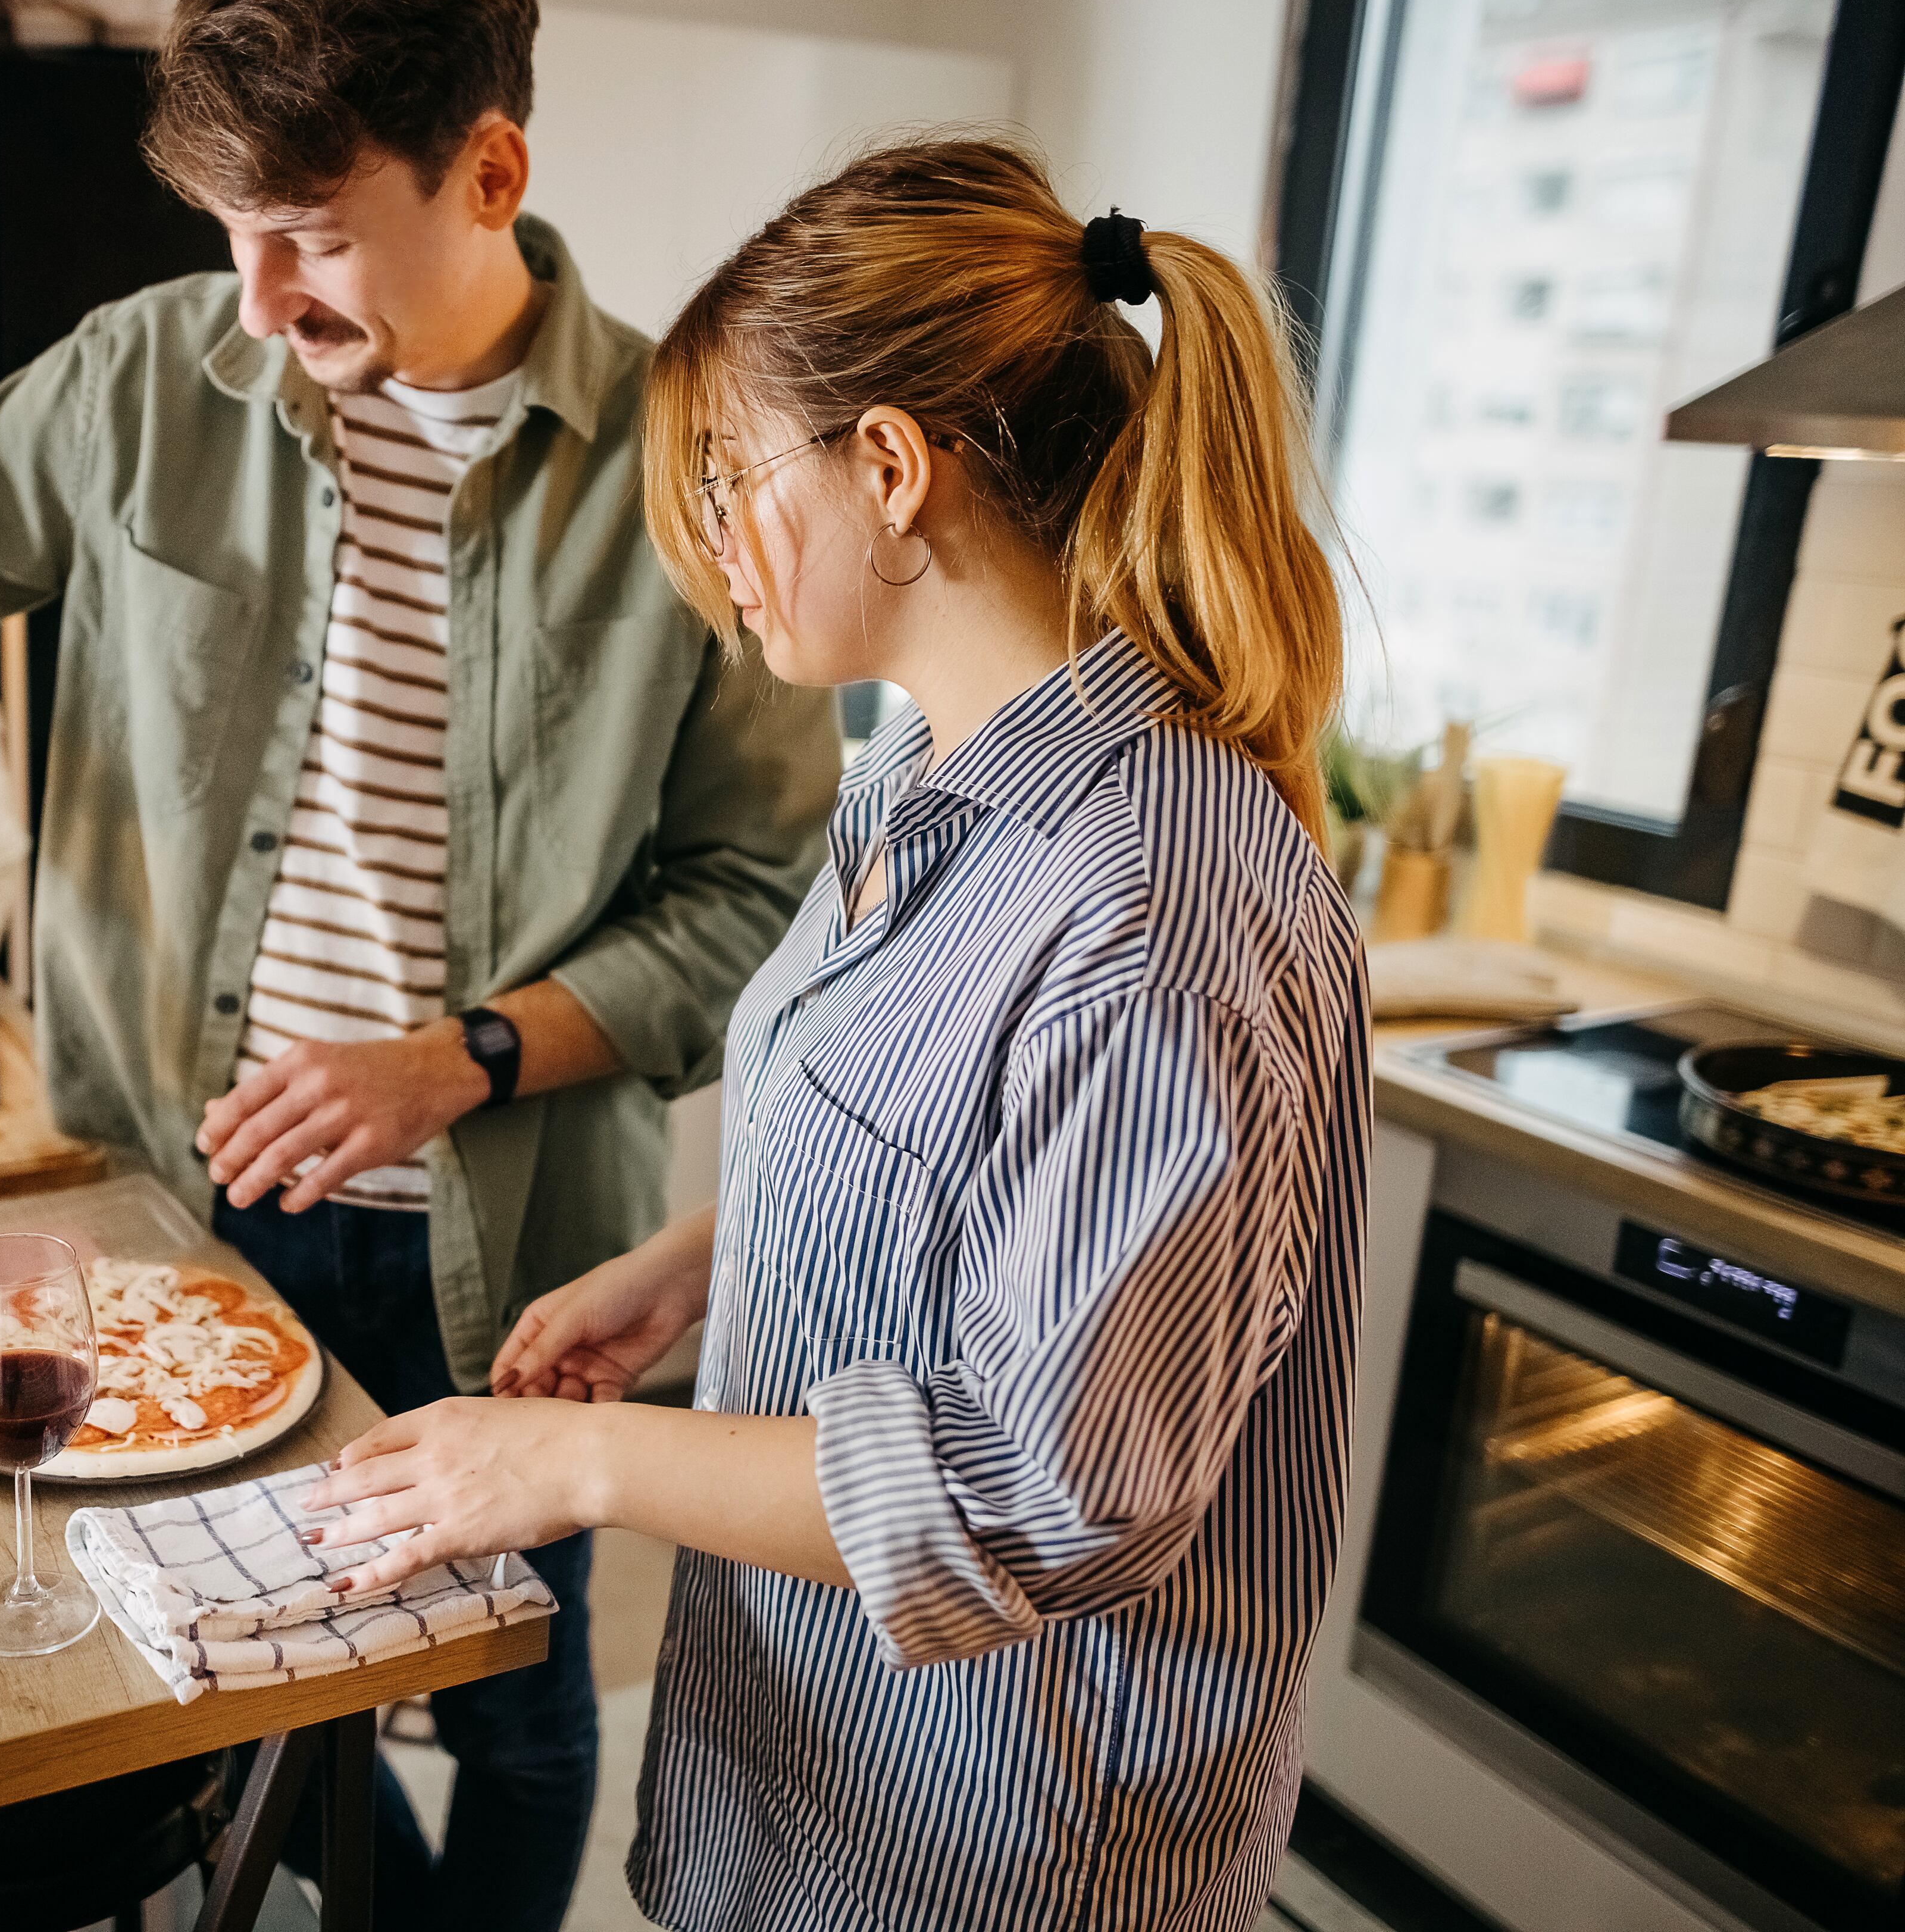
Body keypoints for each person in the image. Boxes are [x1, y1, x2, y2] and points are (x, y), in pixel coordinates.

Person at [0, 0, 842, 1924]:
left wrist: (463, 1055)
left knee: (515, 1697)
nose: (261, 300)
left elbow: (759, 899)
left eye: (312, 236)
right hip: (182, 1225)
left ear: (489, 174)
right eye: (233, 234)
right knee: (235, 1683)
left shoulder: (694, 467)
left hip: (522, 1256)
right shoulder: (142, 382)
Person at [296, 137, 1373, 1932]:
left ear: (889, 469)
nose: (712, 546)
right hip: (819, 1786)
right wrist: (703, 1268)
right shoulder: (918, 790)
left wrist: (583, 1456)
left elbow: (1039, 1489)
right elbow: (963, 1172)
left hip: (999, 1853)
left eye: (730, 477)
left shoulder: (1149, 906)